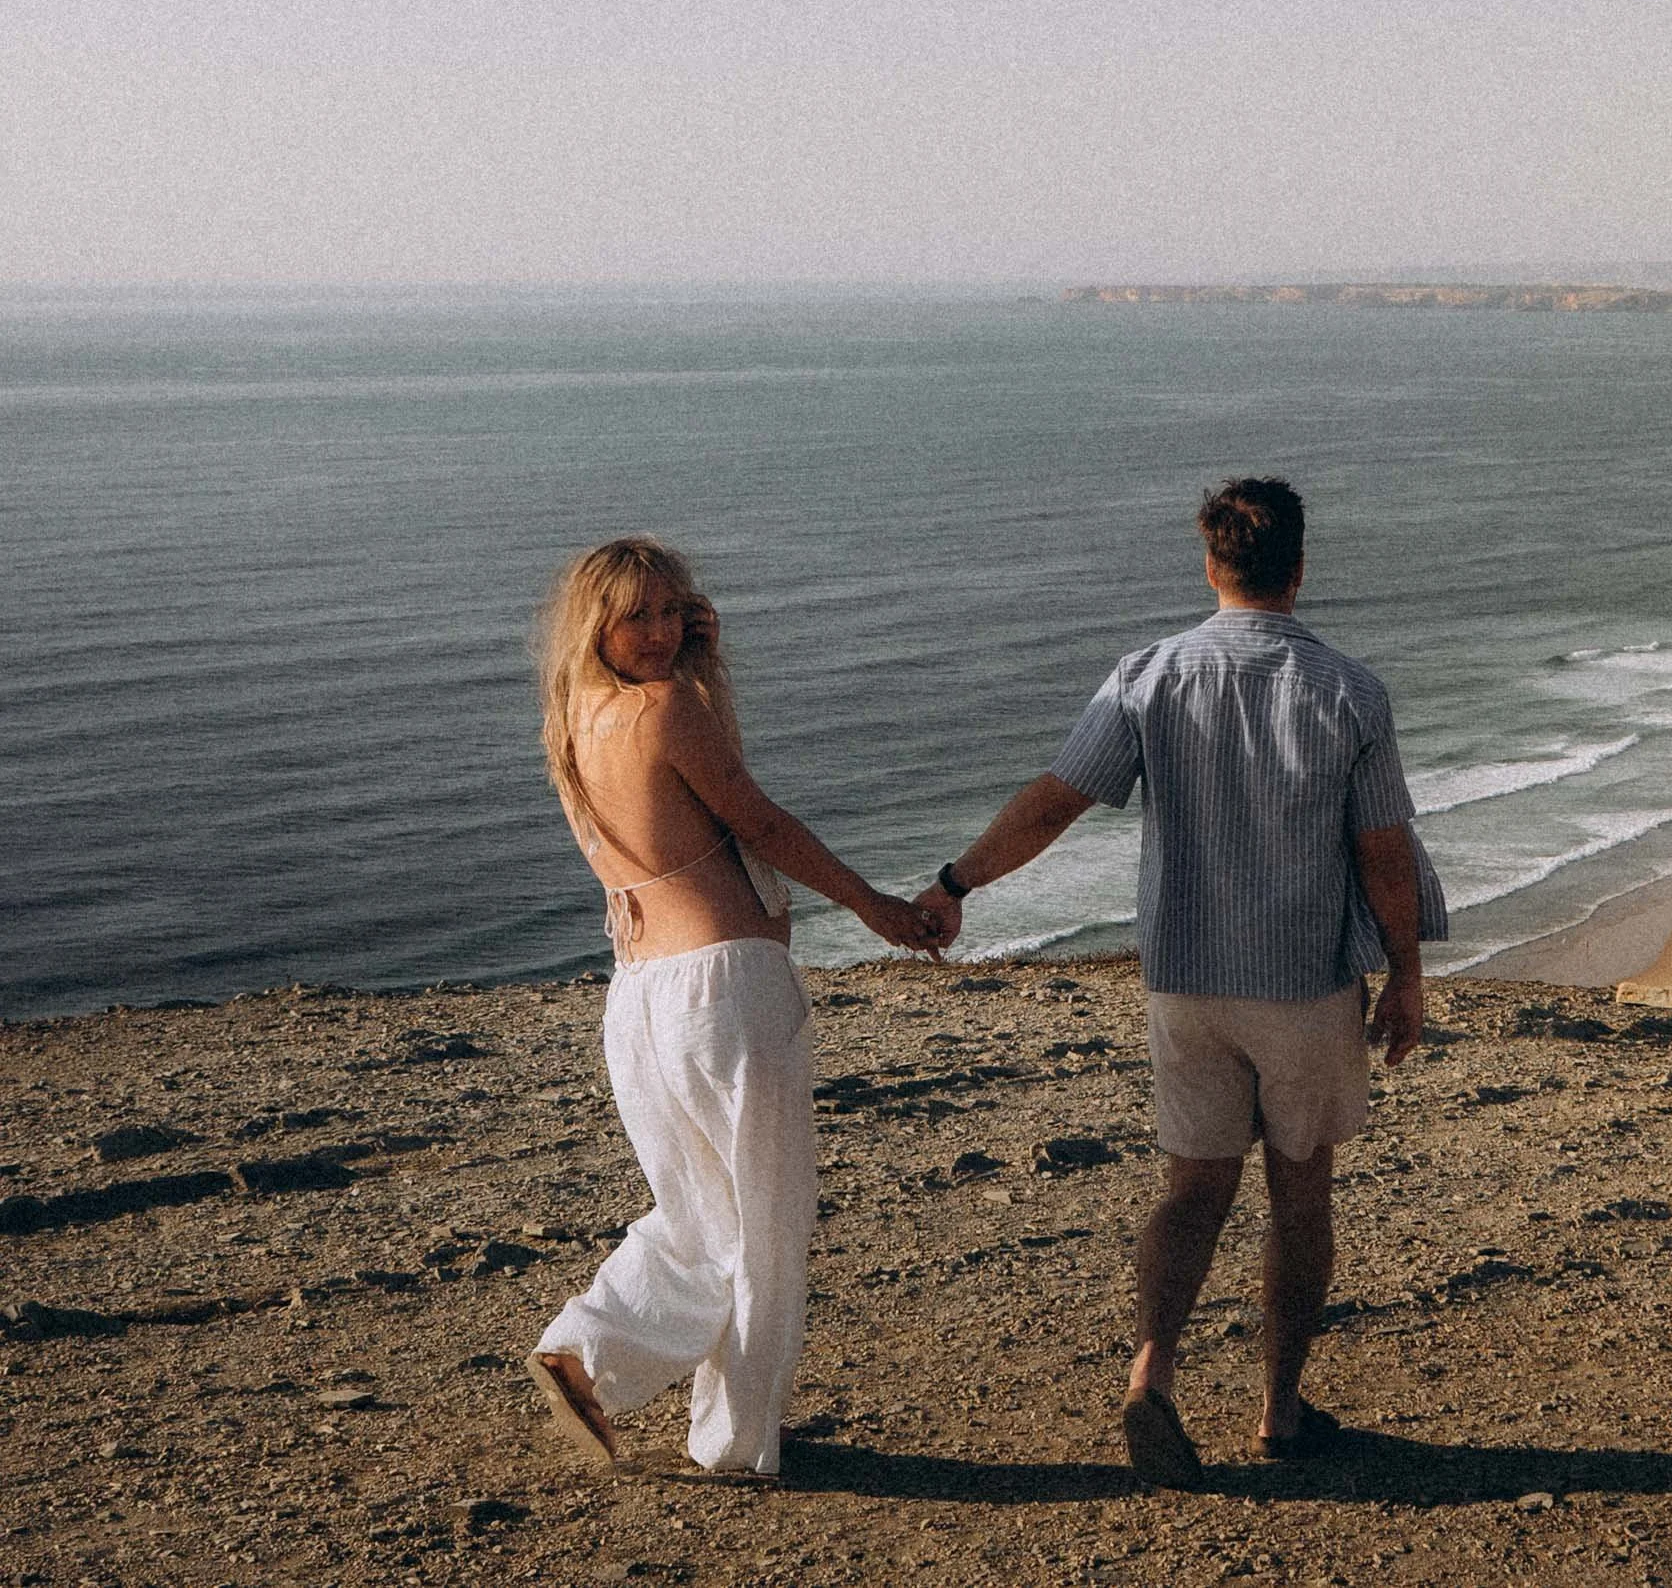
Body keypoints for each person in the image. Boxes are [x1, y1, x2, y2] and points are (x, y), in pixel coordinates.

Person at [914, 478, 1445, 1489]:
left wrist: (955, 882)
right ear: (1298, 565)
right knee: (1299, 1194)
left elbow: (1054, 801)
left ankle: (1152, 1370)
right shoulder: (1349, 690)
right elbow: (1383, 852)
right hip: (1300, 985)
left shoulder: (1147, 675)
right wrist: (1408, 975)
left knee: (1194, 1188)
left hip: (1185, 982)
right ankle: (1280, 1411)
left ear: (1211, 567)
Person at [524, 537, 937, 1477]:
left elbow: (701, 810)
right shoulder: (670, 706)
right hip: (723, 991)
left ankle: (588, 1354)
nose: (664, 631)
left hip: (639, 999)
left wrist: (702, 671)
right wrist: (872, 904)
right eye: (641, 615)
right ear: (598, 623)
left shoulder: (573, 716)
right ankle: (734, 1440)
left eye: (677, 611)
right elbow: (754, 821)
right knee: (763, 1225)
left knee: (703, 1211)